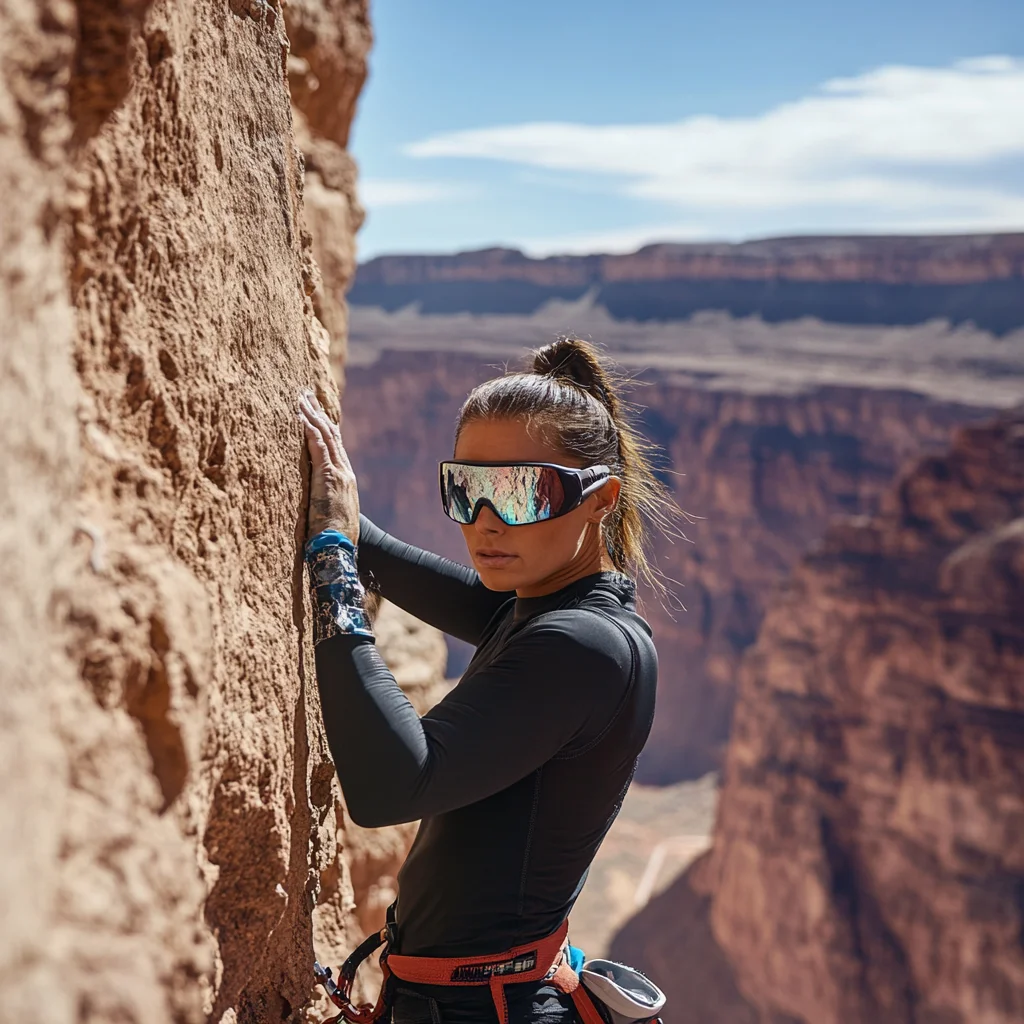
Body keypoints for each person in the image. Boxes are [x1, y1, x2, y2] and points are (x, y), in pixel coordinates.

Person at [298, 337, 680, 1024]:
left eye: (522, 491)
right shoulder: (541, 607)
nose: (484, 522)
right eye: (466, 488)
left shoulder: (583, 645)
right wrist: (332, 502)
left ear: (602, 499)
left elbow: (392, 783)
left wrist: (332, 564)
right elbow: (386, 555)